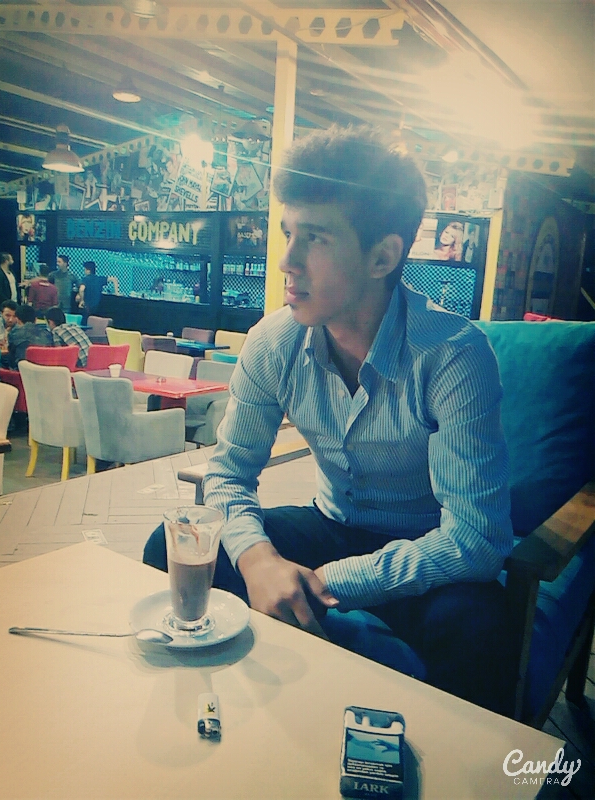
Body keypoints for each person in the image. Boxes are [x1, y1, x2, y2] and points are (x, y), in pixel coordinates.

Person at [144, 126, 515, 715]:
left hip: (427, 546)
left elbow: (477, 539)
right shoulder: (274, 343)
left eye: (314, 238)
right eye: (289, 233)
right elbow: (228, 475)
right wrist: (259, 561)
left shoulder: (452, 356)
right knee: (174, 548)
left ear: (382, 256)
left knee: (480, 631)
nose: (286, 261)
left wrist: (325, 582)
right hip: (330, 521)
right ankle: (232, 711)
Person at [6, 303, 52, 369]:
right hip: (45, 370)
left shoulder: (14, 333)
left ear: (18, 319)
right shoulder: (47, 334)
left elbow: (11, 358)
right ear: (35, 320)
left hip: (21, 372)